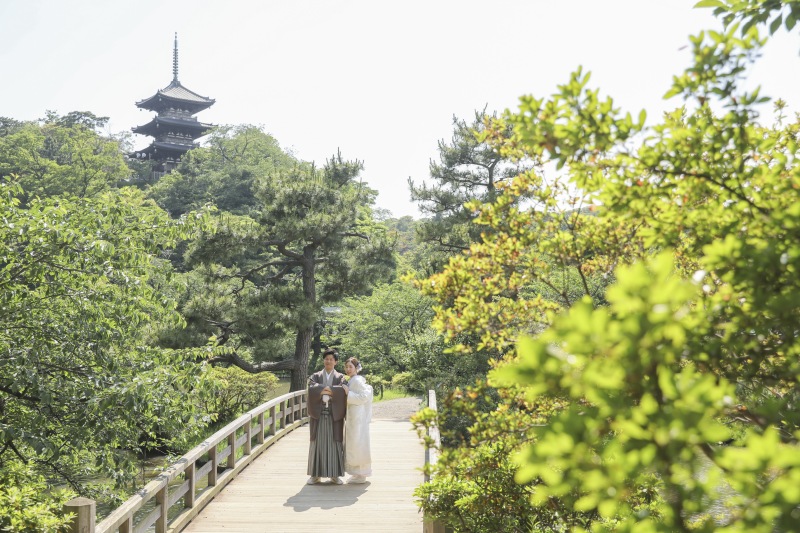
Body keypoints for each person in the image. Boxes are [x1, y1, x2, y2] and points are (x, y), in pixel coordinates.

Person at [306, 348, 347, 485]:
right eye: (326, 359)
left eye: (331, 359)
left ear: (336, 362)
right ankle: (315, 475)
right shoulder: (315, 375)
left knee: (335, 443)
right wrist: (330, 390)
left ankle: (335, 475)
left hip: (334, 415)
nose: (328, 361)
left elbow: (343, 389)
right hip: (318, 415)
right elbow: (311, 387)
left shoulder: (340, 377)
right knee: (317, 443)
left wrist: (325, 389)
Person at [343, 356, 373, 484]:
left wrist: (348, 393)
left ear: (356, 368)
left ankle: (361, 473)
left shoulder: (357, 380)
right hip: (353, 415)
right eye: (346, 367)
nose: (348, 369)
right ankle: (356, 473)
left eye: (350, 367)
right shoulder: (352, 380)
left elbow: (364, 396)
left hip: (358, 416)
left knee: (358, 442)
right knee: (354, 443)